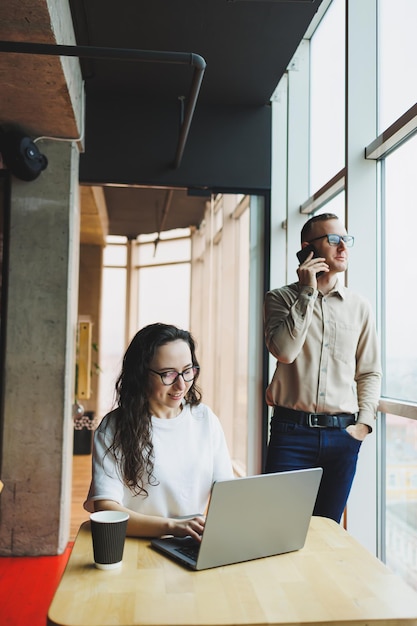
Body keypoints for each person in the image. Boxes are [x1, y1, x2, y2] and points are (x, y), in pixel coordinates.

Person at [263, 213, 382, 523]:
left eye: (346, 239)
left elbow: (368, 370)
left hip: (343, 436)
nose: (343, 246)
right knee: (277, 525)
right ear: (308, 249)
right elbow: (285, 352)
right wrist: (307, 293)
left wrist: (364, 425)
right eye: (333, 240)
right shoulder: (280, 299)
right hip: (291, 434)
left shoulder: (360, 307)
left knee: (327, 532)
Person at [84, 322, 234, 540]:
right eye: (169, 374)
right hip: (135, 546)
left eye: (188, 371)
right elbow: (106, 508)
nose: (181, 385)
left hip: (190, 543)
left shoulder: (205, 419)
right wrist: (172, 526)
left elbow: (226, 492)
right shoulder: (113, 428)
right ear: (141, 374)